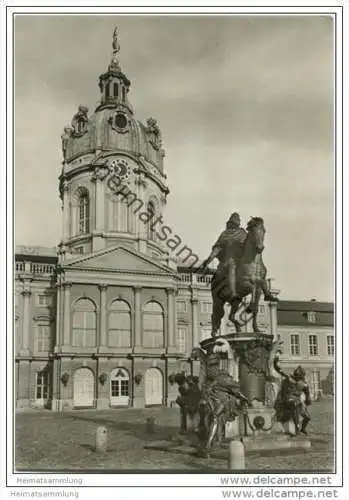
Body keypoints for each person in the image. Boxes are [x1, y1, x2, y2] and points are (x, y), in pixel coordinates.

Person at [274, 364, 311, 435]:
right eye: (298, 376)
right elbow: (283, 393)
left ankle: (303, 429)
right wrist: (287, 399)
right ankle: (296, 427)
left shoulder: (303, 383)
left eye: (301, 377)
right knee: (294, 407)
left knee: (307, 417)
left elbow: (307, 393)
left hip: (298, 400)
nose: (300, 378)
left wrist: (307, 399)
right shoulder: (288, 380)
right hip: (287, 399)